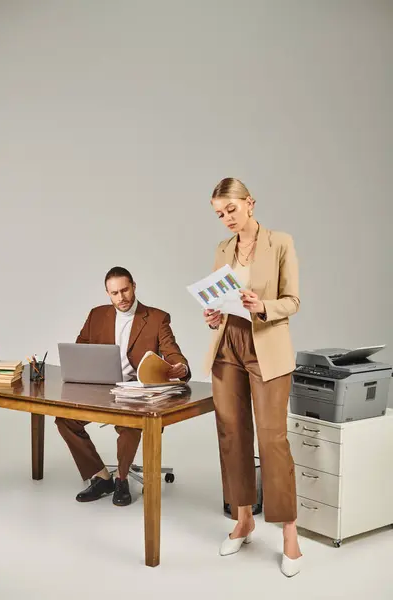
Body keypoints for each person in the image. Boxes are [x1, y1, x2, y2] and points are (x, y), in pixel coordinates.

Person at [203, 178, 302, 577]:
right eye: (219, 214)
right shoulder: (222, 249)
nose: (226, 218)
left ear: (250, 203)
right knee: (231, 433)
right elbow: (217, 300)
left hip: (266, 347)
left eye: (231, 209)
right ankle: (243, 519)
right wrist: (212, 315)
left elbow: (292, 300)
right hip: (228, 344)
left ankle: (289, 533)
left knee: (272, 438)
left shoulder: (280, 242)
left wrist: (262, 305)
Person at [56, 266, 190, 506]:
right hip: (102, 386)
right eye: (114, 293)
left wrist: (180, 367)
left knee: (130, 423)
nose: (121, 298)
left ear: (134, 287)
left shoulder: (157, 318)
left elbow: (172, 353)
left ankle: (122, 479)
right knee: (65, 419)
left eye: (125, 290)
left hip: (135, 390)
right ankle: (101, 476)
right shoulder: (97, 315)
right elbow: (81, 348)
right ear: (108, 293)